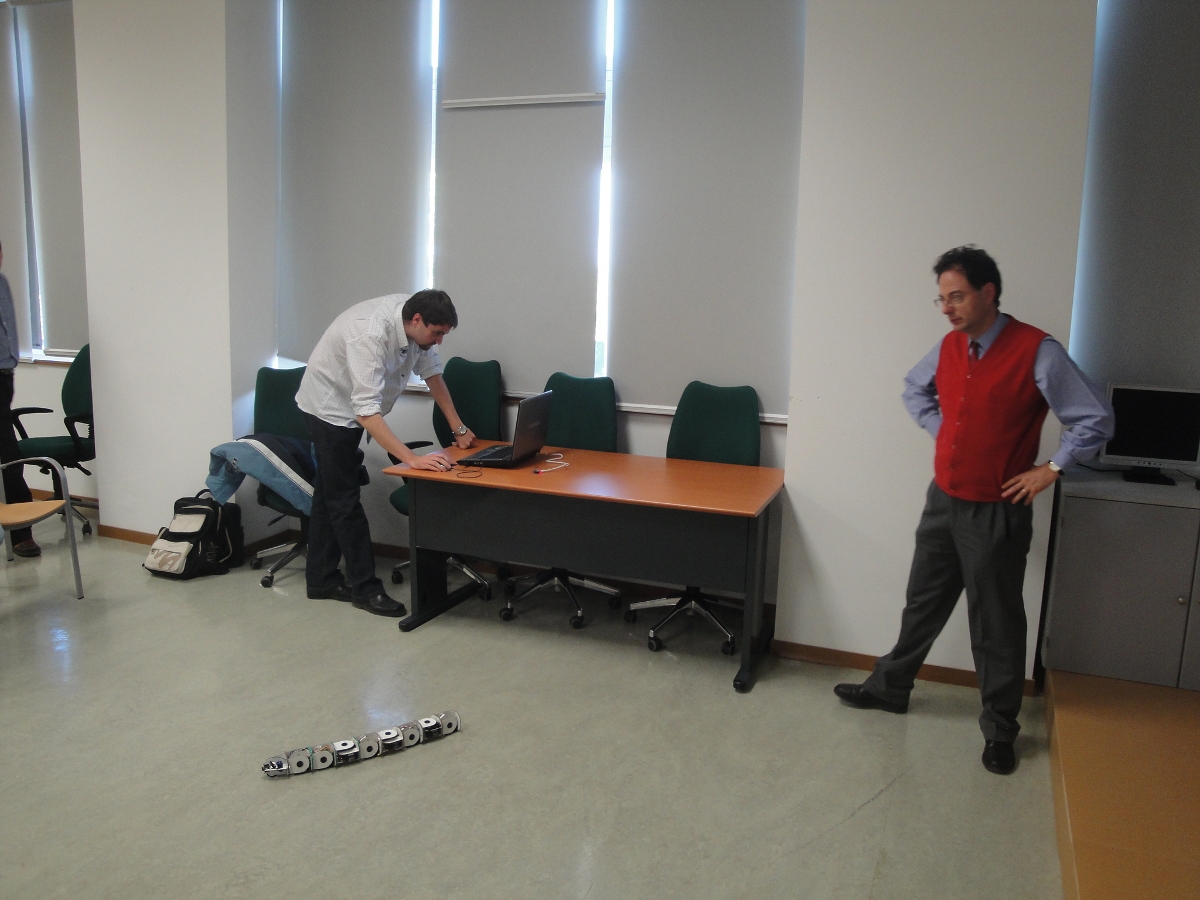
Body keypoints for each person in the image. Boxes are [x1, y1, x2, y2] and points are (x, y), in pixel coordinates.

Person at [834, 246, 1114, 775]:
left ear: (989, 293)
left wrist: (1051, 468)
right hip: (944, 499)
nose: (947, 308)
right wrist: (945, 434)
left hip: (996, 509)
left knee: (995, 622)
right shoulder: (949, 345)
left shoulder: (1037, 350)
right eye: (941, 299)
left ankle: (1001, 730)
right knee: (923, 602)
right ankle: (890, 686)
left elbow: (1095, 417)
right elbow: (915, 389)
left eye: (957, 297)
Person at [295, 289, 475, 617]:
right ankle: (366, 589)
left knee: (329, 493)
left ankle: (320, 579)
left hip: (353, 407)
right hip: (329, 408)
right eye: (436, 333)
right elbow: (366, 412)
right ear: (417, 320)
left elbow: (433, 375)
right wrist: (412, 458)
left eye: (444, 335)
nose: (439, 341)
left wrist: (458, 428)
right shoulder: (369, 333)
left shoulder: (417, 323)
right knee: (344, 501)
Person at [0, 239, 39, 557]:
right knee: (8, 452)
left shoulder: (2, 281)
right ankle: (20, 533)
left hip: (4, 374)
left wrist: (11, 362)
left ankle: (19, 529)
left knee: (8, 455)